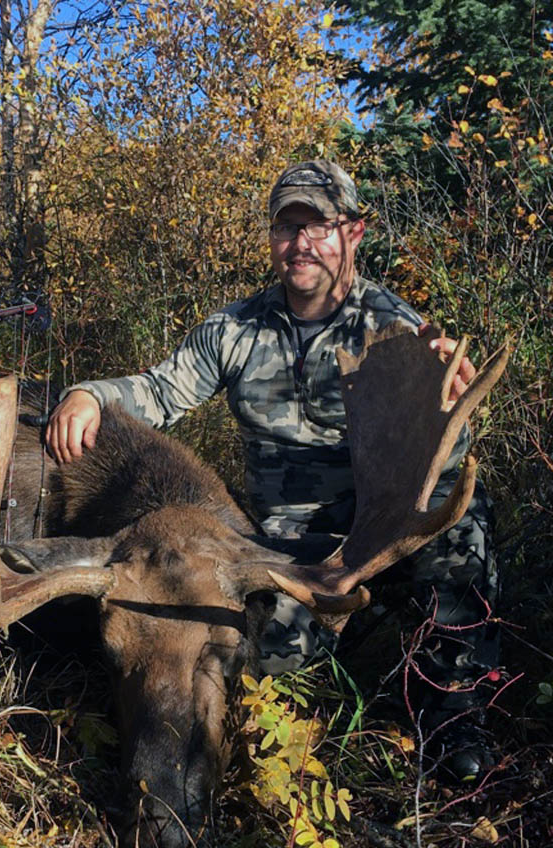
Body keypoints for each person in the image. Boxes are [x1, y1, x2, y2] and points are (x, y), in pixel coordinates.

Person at [46, 160, 500, 783]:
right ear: (272, 238)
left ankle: (451, 712)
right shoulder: (235, 330)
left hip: (371, 534)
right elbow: (157, 390)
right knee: (254, 660)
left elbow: (438, 468)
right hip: (278, 549)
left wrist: (442, 406)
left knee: (461, 526)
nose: (302, 244)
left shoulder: (395, 330)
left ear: (354, 235)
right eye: (288, 228)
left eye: (319, 227)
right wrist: (93, 394)